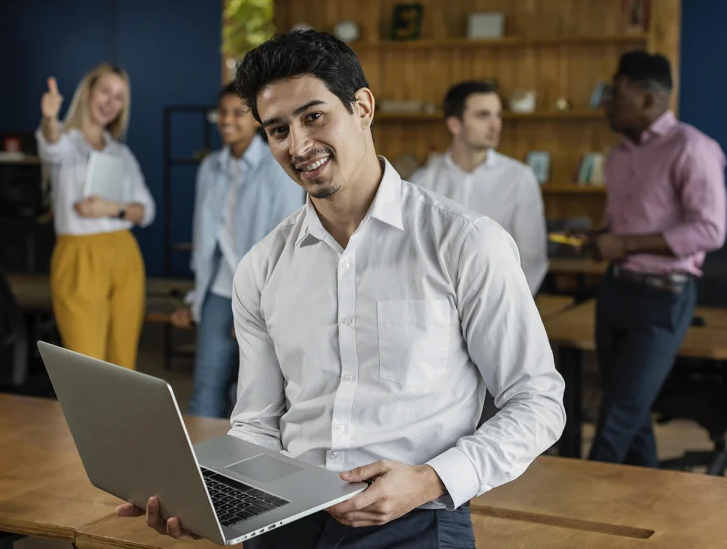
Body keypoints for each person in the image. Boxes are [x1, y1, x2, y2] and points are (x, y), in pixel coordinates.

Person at [117, 30, 565, 547]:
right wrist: (204, 497)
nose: (299, 146)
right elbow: (258, 423)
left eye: (313, 116)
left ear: (363, 108)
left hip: (416, 520)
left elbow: (536, 401)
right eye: (278, 129)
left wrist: (433, 479)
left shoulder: (466, 242)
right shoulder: (262, 266)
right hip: (283, 522)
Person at [585, 50, 726, 467]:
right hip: (616, 291)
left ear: (648, 99)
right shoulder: (618, 156)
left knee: (616, 417)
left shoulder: (692, 147)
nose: (608, 102)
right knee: (632, 412)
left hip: (663, 297)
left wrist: (625, 245)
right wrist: (601, 238)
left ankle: (582, 500)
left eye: (617, 93)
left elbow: (711, 230)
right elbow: (623, 227)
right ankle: (651, 509)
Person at [169, 82, 305, 418]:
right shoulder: (210, 167)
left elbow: (285, 242)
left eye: (238, 113)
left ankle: (239, 468)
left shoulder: (278, 167)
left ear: (258, 119)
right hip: (218, 291)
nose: (227, 120)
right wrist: (195, 298)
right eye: (222, 113)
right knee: (206, 388)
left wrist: (258, 306)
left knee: (253, 396)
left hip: (260, 294)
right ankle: (199, 469)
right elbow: (205, 242)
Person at [36, 64, 155, 369]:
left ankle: (119, 419)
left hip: (124, 254)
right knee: (87, 364)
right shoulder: (66, 142)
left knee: (123, 361)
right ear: (88, 91)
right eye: (105, 91)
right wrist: (50, 118)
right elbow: (51, 146)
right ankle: (87, 418)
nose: (110, 102)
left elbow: (147, 211)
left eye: (119, 97)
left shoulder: (121, 154)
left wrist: (110, 209)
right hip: (79, 257)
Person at [411, 81, 548, 295]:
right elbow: (414, 254)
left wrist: (510, 308)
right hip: (437, 307)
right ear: (455, 124)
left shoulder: (519, 178)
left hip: (503, 302)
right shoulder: (422, 182)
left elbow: (532, 257)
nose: (496, 125)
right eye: (483, 115)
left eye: (498, 115)